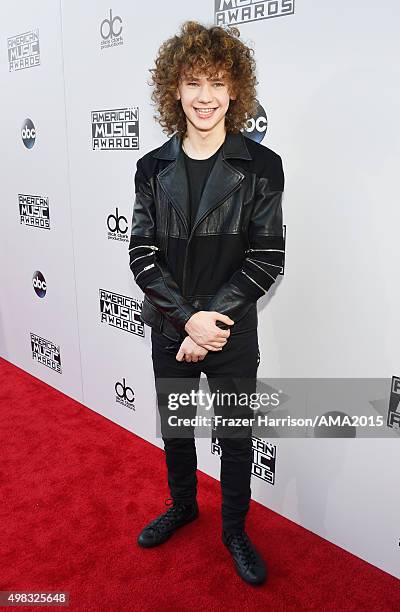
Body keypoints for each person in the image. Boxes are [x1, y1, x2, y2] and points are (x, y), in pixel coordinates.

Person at [128, 21, 285, 586]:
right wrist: (186, 320)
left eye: (216, 82)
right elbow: (142, 254)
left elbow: (267, 257)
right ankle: (183, 504)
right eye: (193, 81)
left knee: (236, 434)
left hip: (231, 330)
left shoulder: (261, 167)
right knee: (176, 427)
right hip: (174, 327)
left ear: (234, 90)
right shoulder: (151, 168)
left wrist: (211, 320)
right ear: (174, 89)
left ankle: (235, 529)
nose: (204, 95)